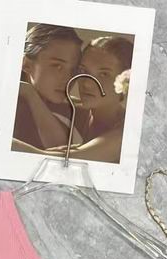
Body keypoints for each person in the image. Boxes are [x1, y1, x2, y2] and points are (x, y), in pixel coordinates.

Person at [13, 36, 134, 164]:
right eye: (83, 70)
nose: (87, 83)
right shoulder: (75, 109)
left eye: (104, 74)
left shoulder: (124, 135)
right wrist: (30, 93)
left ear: (125, 83)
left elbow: (53, 160)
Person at [12, 25, 83, 151]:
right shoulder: (14, 109)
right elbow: (60, 149)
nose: (68, 78)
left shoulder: (78, 109)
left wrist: (30, 93)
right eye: (57, 66)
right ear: (26, 64)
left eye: (74, 69)